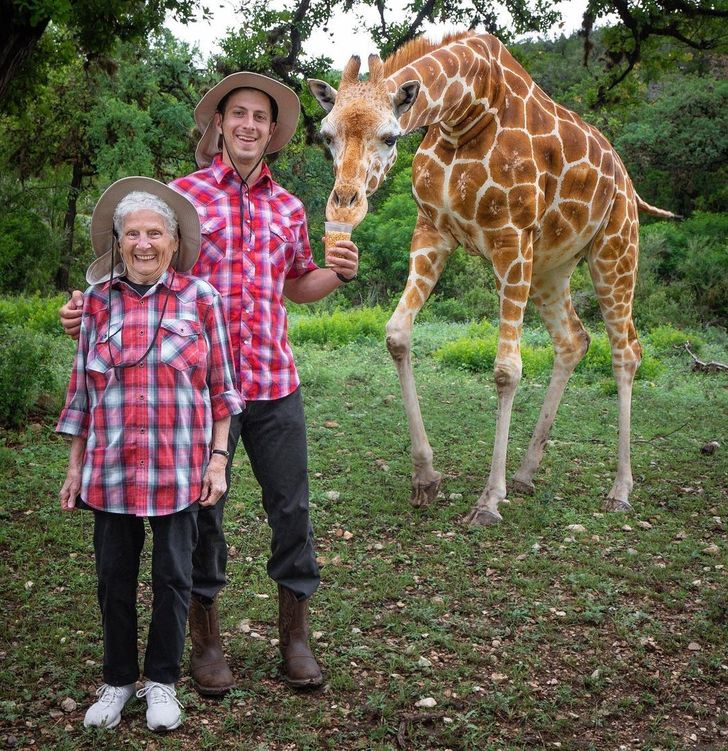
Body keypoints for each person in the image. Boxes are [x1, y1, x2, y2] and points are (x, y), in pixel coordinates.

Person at [59, 73, 360, 695]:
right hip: (197, 393)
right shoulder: (183, 199)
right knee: (203, 515)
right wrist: (80, 311)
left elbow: (296, 283)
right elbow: (134, 273)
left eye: (261, 118)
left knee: (293, 511)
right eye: (238, 114)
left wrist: (337, 275)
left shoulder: (289, 207)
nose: (250, 125)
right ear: (219, 125)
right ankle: (206, 640)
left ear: (273, 133)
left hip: (274, 382)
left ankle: (295, 636)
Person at [57, 177, 244, 731]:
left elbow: (222, 388)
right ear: (118, 244)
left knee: (173, 578)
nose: (143, 243)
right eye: (132, 233)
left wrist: (218, 459)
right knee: (113, 576)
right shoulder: (94, 303)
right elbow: (81, 391)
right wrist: (74, 466)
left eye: (154, 232)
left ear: (172, 239)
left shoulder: (201, 299)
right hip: (112, 467)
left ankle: (161, 682)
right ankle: (117, 681)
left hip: (179, 467)